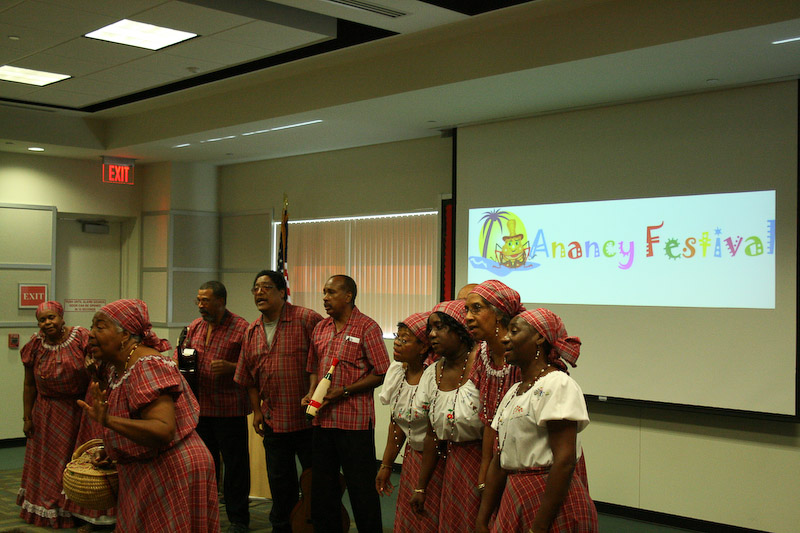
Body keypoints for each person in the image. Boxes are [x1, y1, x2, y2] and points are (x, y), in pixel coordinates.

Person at [78, 299, 220, 532]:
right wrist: (114, 449)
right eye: (92, 326)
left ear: (125, 335)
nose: (90, 334)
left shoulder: (147, 366)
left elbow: (163, 430)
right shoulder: (119, 367)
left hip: (173, 468)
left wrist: (108, 421)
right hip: (150, 466)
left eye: (100, 327)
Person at [476, 309, 597, 533]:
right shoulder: (513, 392)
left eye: (514, 331)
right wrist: (482, 520)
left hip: (550, 503)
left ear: (539, 338)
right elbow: (500, 460)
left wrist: (539, 527)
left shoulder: (557, 384)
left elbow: (564, 461)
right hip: (517, 495)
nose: (505, 338)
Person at [234, 270, 323, 533]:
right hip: (274, 419)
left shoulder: (306, 319)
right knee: (280, 482)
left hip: (308, 419)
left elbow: (325, 357)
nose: (259, 292)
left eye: (266, 287)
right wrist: (257, 412)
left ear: (282, 292)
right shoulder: (251, 331)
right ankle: (283, 527)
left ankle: (316, 525)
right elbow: (248, 378)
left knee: (316, 481)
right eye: (256, 288)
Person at [304, 275, 390, 533]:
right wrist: (311, 392)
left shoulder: (367, 327)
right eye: (324, 292)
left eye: (331, 292)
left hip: (354, 425)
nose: (325, 298)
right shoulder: (320, 328)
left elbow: (382, 372)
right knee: (323, 491)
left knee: (361, 491)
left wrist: (343, 392)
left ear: (348, 296)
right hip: (322, 422)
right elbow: (313, 367)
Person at [179, 281, 250, 533]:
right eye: (198, 300)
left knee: (235, 467)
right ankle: (207, 516)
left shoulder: (242, 328)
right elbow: (184, 359)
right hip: (201, 409)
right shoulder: (195, 327)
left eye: (205, 301)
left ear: (220, 301)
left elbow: (253, 365)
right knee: (206, 466)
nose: (200, 305)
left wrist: (231, 368)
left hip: (230, 409)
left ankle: (239, 520)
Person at [410, 300, 482, 532]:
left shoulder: (483, 364)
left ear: (460, 330)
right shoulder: (433, 373)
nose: (432, 334)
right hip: (450, 463)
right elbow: (432, 434)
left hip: (482, 462)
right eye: (430, 329)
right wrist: (421, 487)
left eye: (439, 327)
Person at [18, 301, 90, 529]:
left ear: (61, 317)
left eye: (51, 317)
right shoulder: (35, 345)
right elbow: (29, 384)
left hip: (77, 411)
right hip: (46, 412)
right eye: (42, 320)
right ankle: (50, 507)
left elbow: (98, 367)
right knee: (50, 463)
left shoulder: (80, 338)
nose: (47, 323)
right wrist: (27, 417)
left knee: (74, 461)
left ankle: (76, 509)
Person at [375, 311, 441, 533]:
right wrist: (386, 464)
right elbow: (397, 423)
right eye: (397, 336)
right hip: (413, 458)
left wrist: (422, 485)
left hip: (436, 462)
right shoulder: (398, 371)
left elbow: (435, 433)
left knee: (430, 519)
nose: (397, 343)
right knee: (410, 520)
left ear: (423, 347)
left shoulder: (434, 377)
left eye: (405, 339)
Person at [465, 280, 525, 488]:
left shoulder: (522, 354)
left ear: (499, 313)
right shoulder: (483, 355)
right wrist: (484, 469)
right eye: (467, 310)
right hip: (497, 459)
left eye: (476, 308)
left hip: (528, 459)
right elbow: (489, 419)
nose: (468, 317)